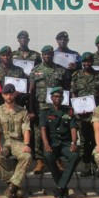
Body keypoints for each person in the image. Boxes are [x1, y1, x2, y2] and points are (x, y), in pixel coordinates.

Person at [29, 45, 71, 174]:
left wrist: (68, 108)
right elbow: (31, 91)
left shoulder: (61, 71)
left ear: (53, 55)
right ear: (42, 55)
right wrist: (31, 109)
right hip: (40, 108)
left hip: (56, 108)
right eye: (45, 54)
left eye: (49, 54)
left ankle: (57, 159)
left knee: (55, 133)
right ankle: (40, 161)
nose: (47, 56)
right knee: (38, 134)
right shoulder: (35, 70)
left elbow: (67, 90)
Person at [0, 84, 32, 198]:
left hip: (17, 141)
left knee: (27, 156)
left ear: (15, 94)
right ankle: (13, 185)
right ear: (3, 95)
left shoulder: (23, 111)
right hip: (3, 141)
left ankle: (11, 187)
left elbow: (26, 129)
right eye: (6, 94)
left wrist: (26, 144)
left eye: (11, 94)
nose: (9, 96)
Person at [40, 87, 80, 198]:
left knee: (75, 156)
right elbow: (43, 129)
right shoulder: (45, 111)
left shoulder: (69, 110)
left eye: (60, 97)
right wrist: (46, 144)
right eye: (55, 97)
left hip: (65, 144)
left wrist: (73, 142)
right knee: (48, 156)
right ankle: (63, 188)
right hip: (52, 144)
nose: (58, 99)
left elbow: (73, 127)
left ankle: (60, 188)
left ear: (63, 98)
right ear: (51, 98)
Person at [70, 51, 99, 177]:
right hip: (82, 115)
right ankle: (86, 165)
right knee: (84, 141)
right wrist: (77, 107)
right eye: (85, 61)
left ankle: (97, 165)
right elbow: (73, 92)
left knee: (97, 140)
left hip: (96, 115)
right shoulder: (76, 75)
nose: (87, 64)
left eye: (89, 61)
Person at [0, 46, 28, 111]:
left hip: (15, 103)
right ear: (0, 56)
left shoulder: (19, 70)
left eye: (8, 55)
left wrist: (20, 93)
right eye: (3, 55)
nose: (6, 57)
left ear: (11, 56)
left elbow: (24, 88)